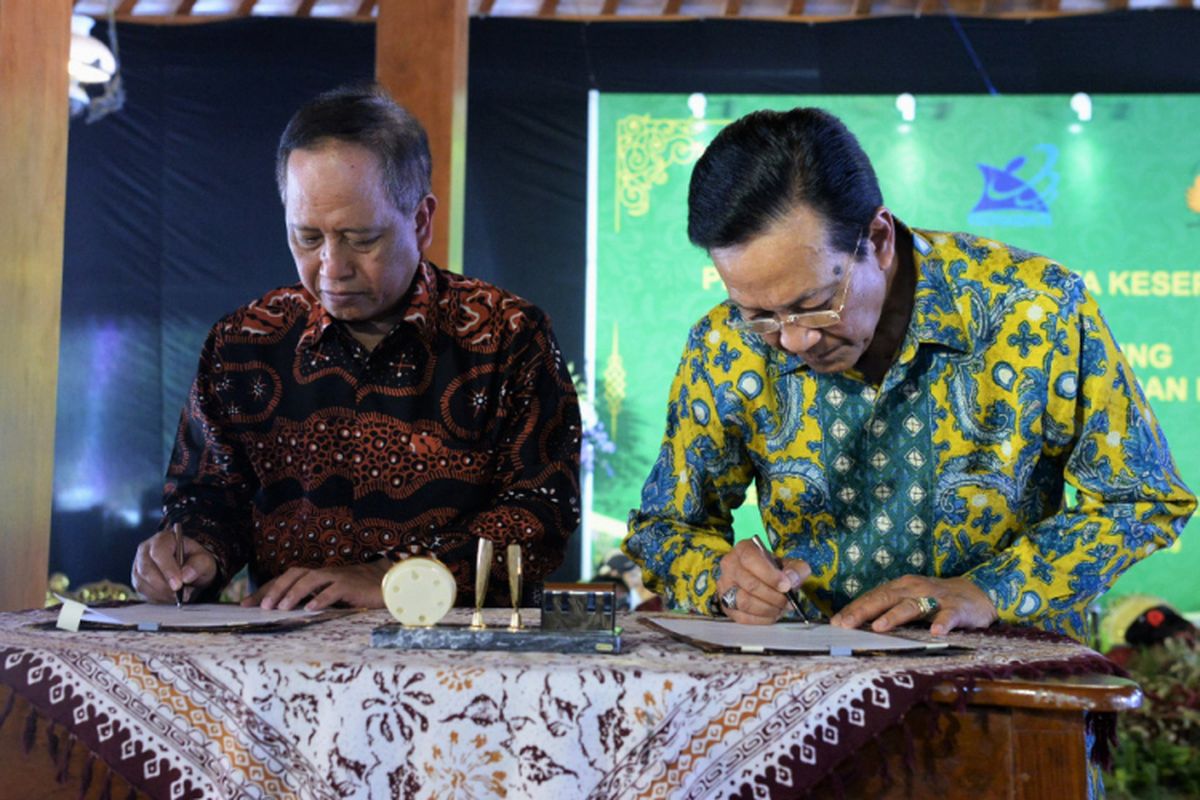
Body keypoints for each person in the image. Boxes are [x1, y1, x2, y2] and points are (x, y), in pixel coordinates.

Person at [623, 107, 1194, 644]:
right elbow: (666, 527)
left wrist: (990, 591)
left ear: (878, 240)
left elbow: (1141, 499)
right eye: (760, 315)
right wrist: (724, 580)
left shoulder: (1035, 309)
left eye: (816, 303)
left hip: (1015, 694)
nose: (794, 340)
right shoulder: (724, 346)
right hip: (812, 700)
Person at [132, 84, 581, 611]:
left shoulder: (506, 337)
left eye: (362, 239)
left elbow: (538, 514)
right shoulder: (245, 342)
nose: (332, 268)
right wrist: (189, 553)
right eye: (307, 237)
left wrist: (395, 580)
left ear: (421, 221)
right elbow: (208, 497)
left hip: (460, 663)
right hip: (284, 663)